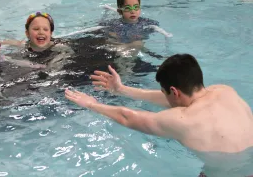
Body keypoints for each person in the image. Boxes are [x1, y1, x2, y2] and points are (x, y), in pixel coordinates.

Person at [65, 54, 253, 176]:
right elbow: (172, 99)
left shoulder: (183, 120)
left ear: (174, 91)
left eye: (165, 92)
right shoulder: (224, 91)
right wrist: (122, 89)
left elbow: (126, 117)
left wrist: (92, 104)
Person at [99, 0, 170, 52]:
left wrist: (165, 34)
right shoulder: (114, 23)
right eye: (127, 8)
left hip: (132, 46)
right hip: (119, 46)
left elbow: (155, 27)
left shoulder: (146, 22)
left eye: (136, 7)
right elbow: (100, 28)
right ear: (120, 11)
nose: (133, 11)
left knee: (138, 44)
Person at [2, 12, 74, 69]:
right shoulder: (24, 45)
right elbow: (6, 42)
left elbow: (69, 52)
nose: (41, 32)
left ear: (50, 34)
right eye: (36, 29)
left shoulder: (58, 46)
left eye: (45, 29)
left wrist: (56, 61)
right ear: (27, 33)